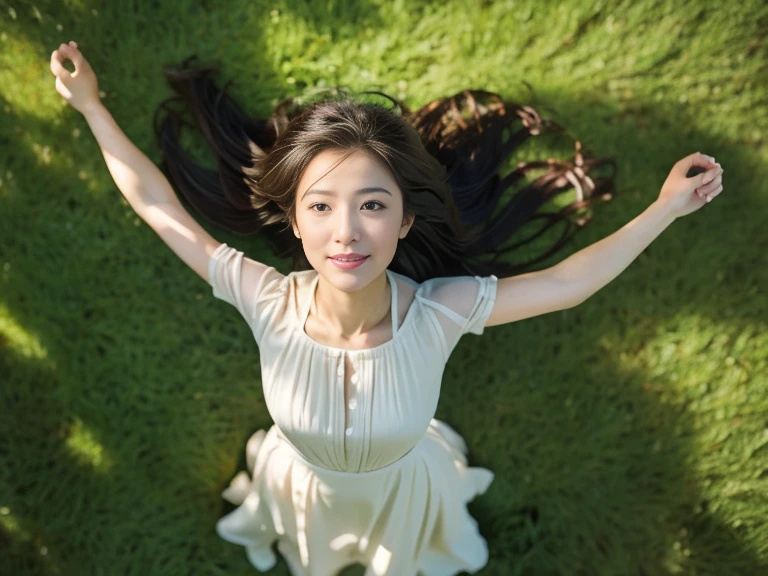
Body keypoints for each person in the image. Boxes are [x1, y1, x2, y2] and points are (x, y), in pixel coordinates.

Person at [50, 39, 724, 576]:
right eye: (322, 206)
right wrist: (90, 106)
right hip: (304, 484)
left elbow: (566, 283)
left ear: (404, 222)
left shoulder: (439, 312)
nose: (346, 233)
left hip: (402, 492)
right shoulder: (266, 299)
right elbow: (159, 207)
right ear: (294, 221)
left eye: (372, 205)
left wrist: (665, 208)